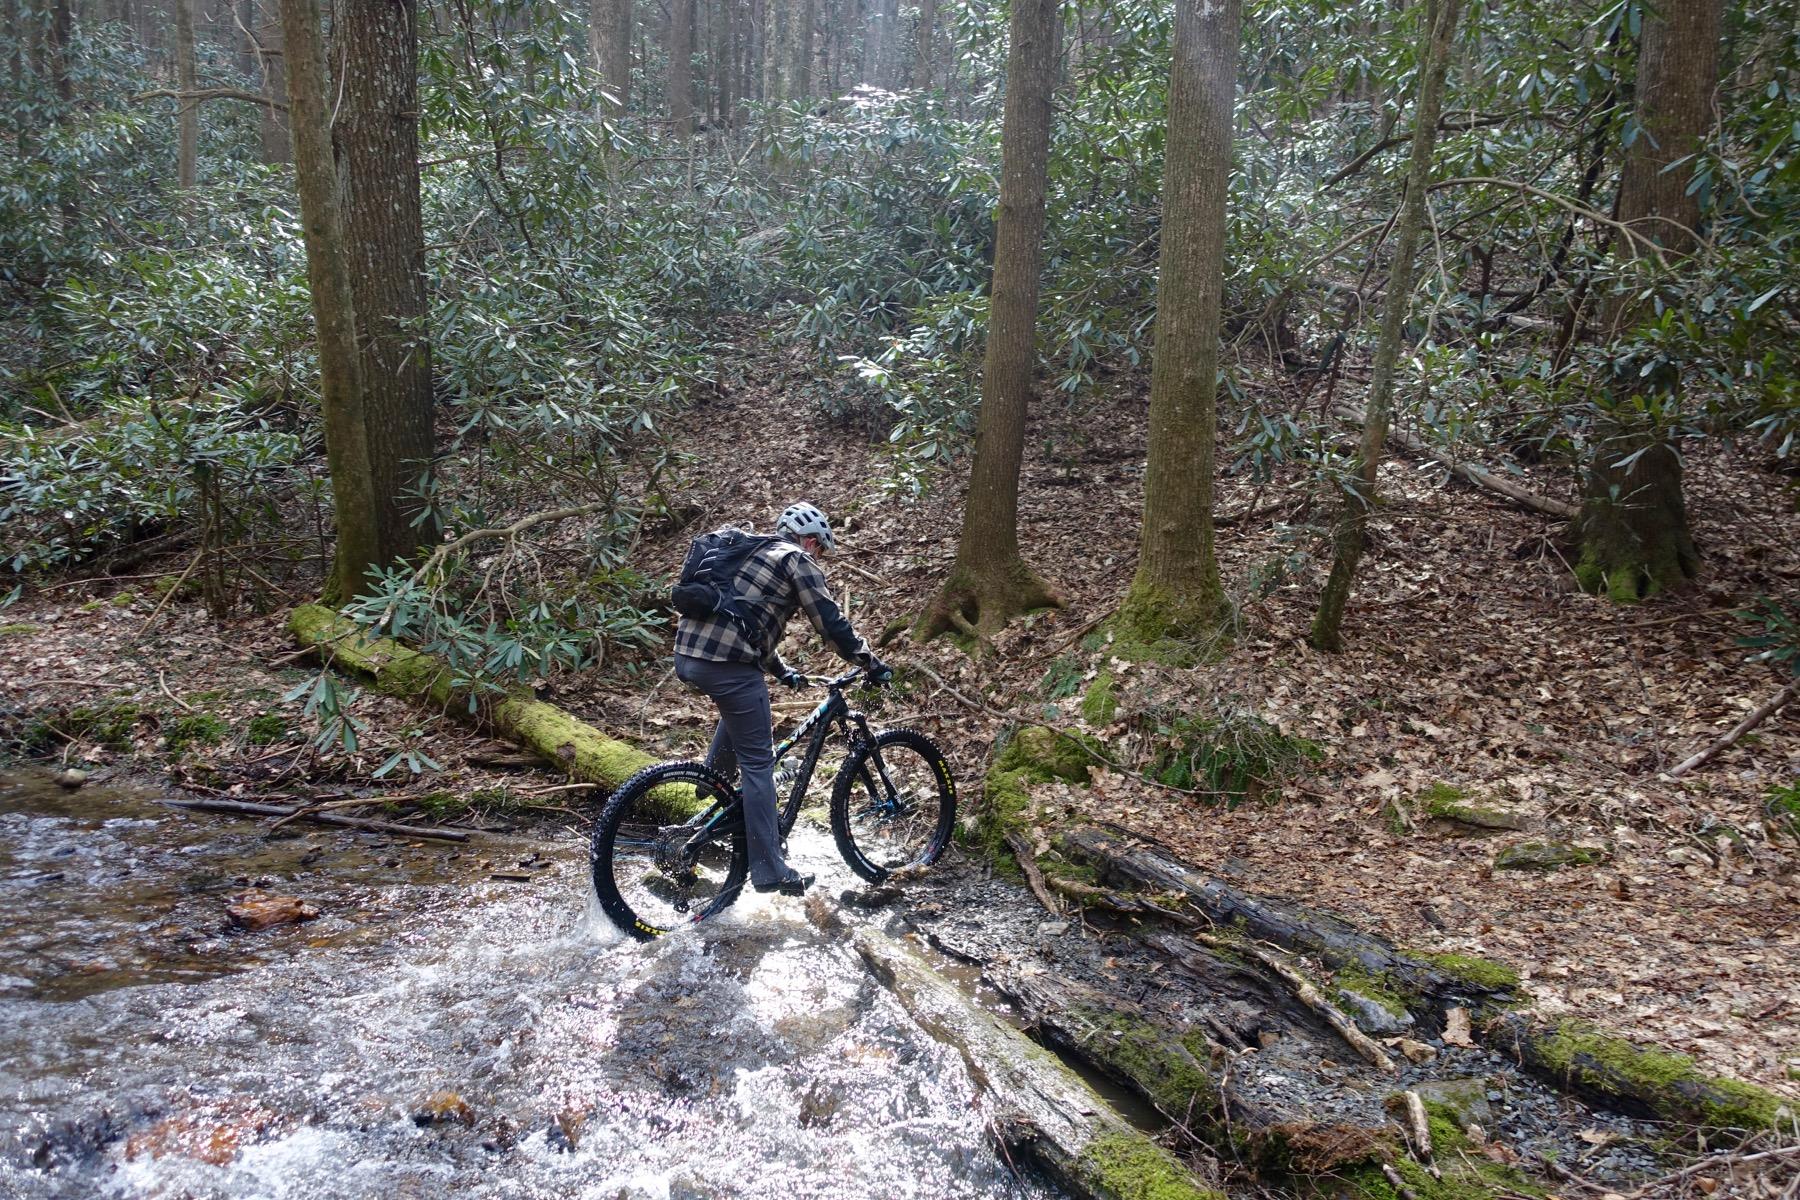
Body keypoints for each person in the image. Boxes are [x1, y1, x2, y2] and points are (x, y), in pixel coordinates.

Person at [673, 501, 891, 897]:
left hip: (688, 657)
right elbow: (831, 623)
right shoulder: (797, 560)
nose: (819, 556)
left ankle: (715, 787)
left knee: (738, 715)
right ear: (811, 541)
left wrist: (781, 671)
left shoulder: (751, 552)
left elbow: (741, 620)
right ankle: (771, 870)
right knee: (758, 764)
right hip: (727, 666)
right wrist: (871, 663)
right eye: (821, 549)